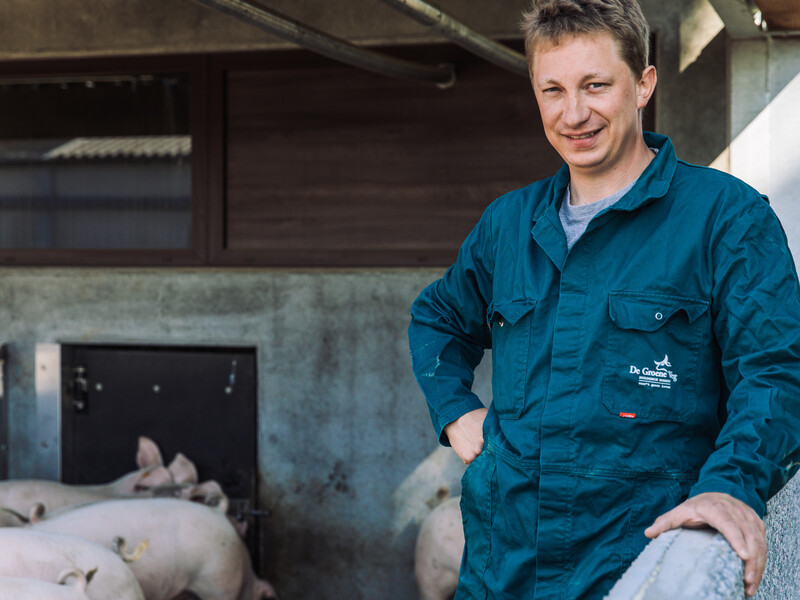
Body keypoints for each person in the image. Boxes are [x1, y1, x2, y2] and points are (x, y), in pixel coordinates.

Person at [407, 0, 800, 598]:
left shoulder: (725, 218)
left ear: (643, 85)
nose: (574, 113)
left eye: (595, 85)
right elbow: (437, 316)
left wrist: (730, 487)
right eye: (553, 90)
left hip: (639, 564)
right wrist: (455, 412)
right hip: (502, 566)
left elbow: (774, 374)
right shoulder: (508, 225)